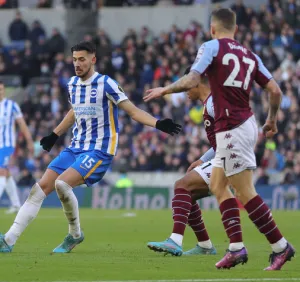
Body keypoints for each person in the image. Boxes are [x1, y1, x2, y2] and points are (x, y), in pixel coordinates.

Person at [144, 8, 295, 270]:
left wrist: (165, 89)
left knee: (245, 192)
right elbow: (275, 90)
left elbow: (193, 78)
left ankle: (281, 246)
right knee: (217, 185)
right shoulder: (250, 55)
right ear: (235, 30)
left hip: (232, 125)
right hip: (243, 123)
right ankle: (236, 248)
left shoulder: (211, 47)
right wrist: (271, 119)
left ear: (213, 29)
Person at [0, 41, 181, 254]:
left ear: (93, 60)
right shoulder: (72, 84)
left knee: (62, 184)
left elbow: (132, 111)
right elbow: (74, 111)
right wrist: (54, 135)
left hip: (99, 150)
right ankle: (9, 240)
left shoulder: (107, 84)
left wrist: (158, 123)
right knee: (38, 189)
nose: (77, 64)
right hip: (75, 147)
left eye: (82, 59)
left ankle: (74, 234)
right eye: (75, 59)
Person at [147, 66, 243, 257]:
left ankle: (175, 240)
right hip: (227, 157)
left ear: (198, 82)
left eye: (186, 85)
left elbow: (234, 133)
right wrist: (203, 159)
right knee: (186, 191)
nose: (185, 90)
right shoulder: (210, 103)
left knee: (182, 185)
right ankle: (206, 246)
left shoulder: (215, 103)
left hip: (231, 157)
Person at [0, 81, 34, 214]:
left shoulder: (11, 106)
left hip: (7, 145)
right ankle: (16, 204)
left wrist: (29, 141)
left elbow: (22, 124)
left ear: (4, 91)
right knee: (6, 174)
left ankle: (15, 204)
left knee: (2, 172)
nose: (0, 91)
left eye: (2, 89)